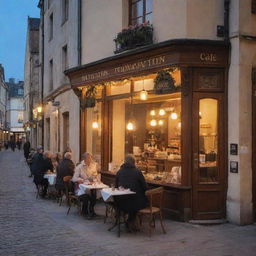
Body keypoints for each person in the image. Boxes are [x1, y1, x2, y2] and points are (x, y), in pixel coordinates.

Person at [115, 154, 148, 232]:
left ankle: (130, 221)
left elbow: (116, 186)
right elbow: (145, 187)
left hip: (121, 202)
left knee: (130, 204)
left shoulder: (119, 172)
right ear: (134, 162)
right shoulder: (137, 172)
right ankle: (130, 221)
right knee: (137, 203)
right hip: (136, 202)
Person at [72, 152, 99, 217]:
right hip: (81, 189)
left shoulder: (93, 165)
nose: (90, 159)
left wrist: (95, 177)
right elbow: (74, 178)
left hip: (90, 186)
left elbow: (95, 174)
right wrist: (81, 180)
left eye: (91, 158)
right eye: (89, 158)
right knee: (86, 197)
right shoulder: (79, 167)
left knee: (94, 196)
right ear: (84, 159)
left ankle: (91, 210)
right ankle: (84, 212)